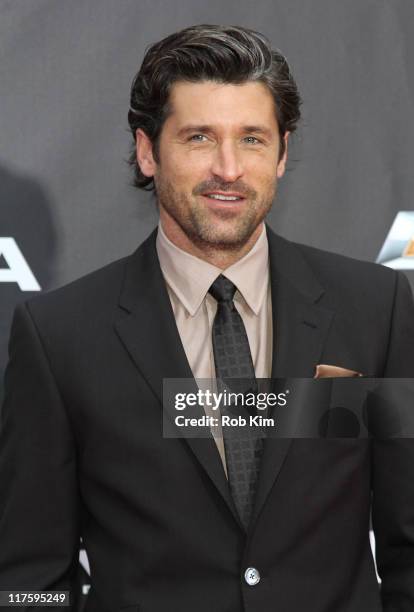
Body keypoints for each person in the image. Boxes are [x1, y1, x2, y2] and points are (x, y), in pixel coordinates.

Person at [1, 24, 414, 612]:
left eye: (251, 139)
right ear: (148, 150)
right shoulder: (60, 337)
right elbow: (27, 581)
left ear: (282, 153)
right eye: (199, 138)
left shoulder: (375, 309)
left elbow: (408, 541)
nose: (228, 168)